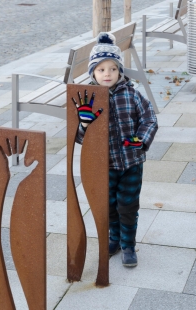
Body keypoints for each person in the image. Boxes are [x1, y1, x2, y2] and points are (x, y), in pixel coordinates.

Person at [73, 32, 158, 267]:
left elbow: (149, 118)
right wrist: (85, 124)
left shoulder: (132, 94)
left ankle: (129, 244)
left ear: (120, 70)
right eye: (101, 70)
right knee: (108, 205)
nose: (107, 74)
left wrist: (140, 139)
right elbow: (79, 139)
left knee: (128, 205)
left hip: (131, 163)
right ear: (93, 73)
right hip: (104, 165)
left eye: (112, 68)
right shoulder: (87, 101)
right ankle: (114, 238)